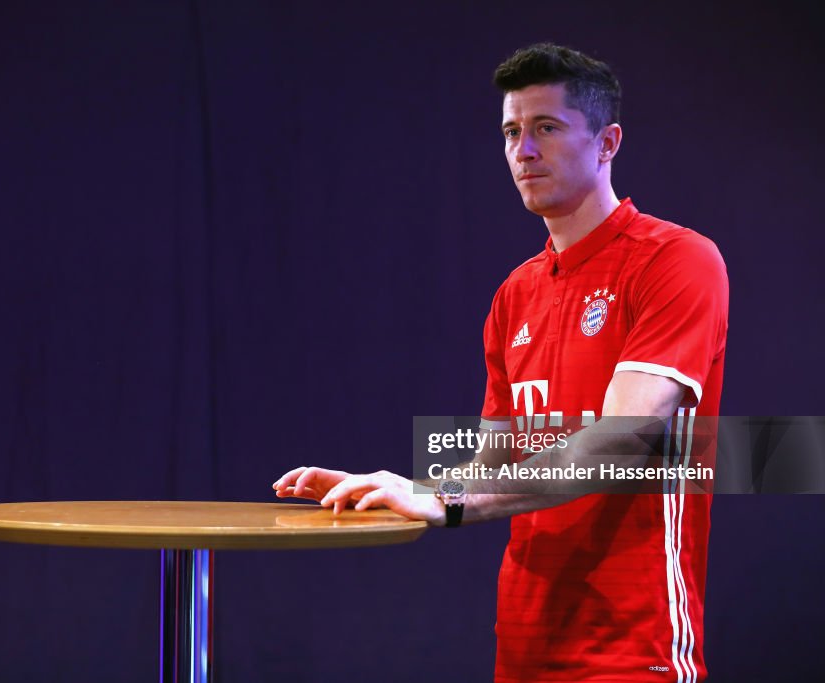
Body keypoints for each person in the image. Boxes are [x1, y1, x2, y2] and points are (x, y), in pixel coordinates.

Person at [272, 43, 728, 682]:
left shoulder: (676, 260)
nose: (524, 150)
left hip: (630, 645)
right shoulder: (516, 293)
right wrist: (402, 491)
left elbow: (624, 440)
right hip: (523, 639)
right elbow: (493, 463)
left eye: (547, 127)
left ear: (607, 142)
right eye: (512, 131)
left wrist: (450, 499)